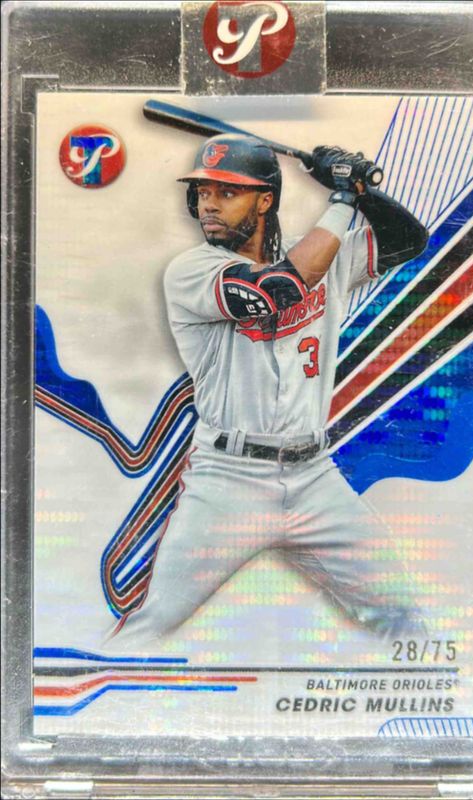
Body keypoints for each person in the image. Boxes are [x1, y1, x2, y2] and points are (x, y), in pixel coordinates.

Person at [109, 134, 429, 647]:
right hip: (228, 481)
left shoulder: (323, 254)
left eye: (227, 191)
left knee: (402, 615)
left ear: (264, 201)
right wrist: (343, 199)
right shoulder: (191, 271)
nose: (209, 204)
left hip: (315, 477)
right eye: (203, 192)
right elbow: (276, 289)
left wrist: (360, 189)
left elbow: (409, 241)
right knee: (151, 629)